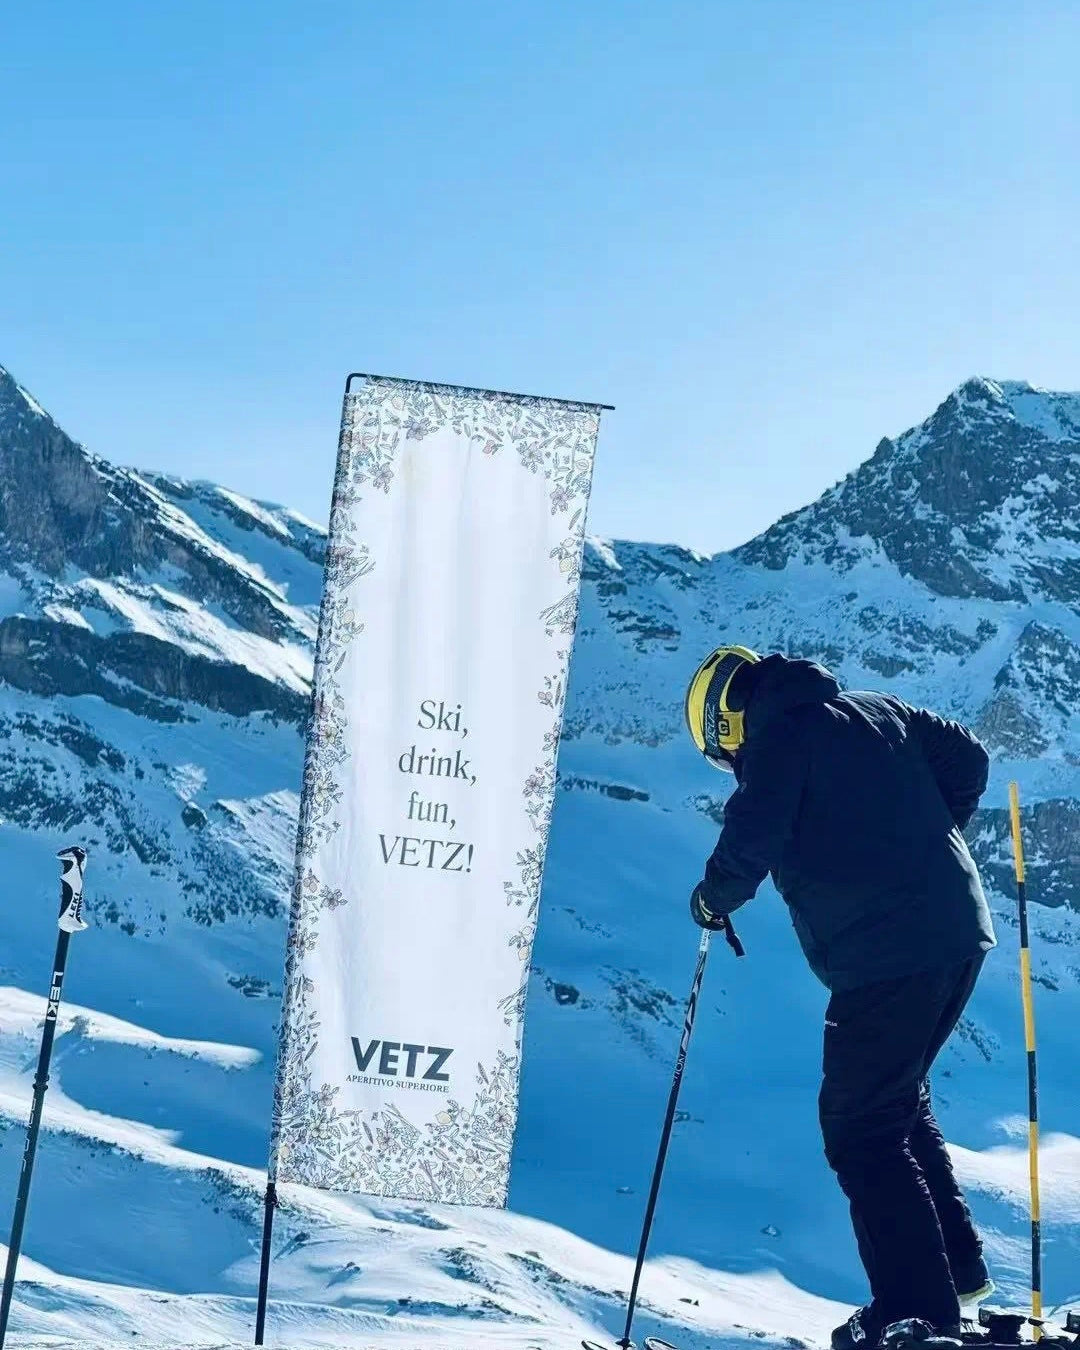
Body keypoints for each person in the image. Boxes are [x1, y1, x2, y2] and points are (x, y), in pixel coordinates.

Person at [683, 646, 997, 1349]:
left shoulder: (779, 741)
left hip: (887, 953)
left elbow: (751, 836)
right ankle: (954, 1274)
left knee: (860, 1128)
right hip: (956, 930)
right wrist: (924, 840)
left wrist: (711, 899)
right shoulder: (878, 709)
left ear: (727, 720)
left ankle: (917, 1314)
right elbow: (970, 761)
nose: (730, 761)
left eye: (721, 750)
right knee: (896, 1102)